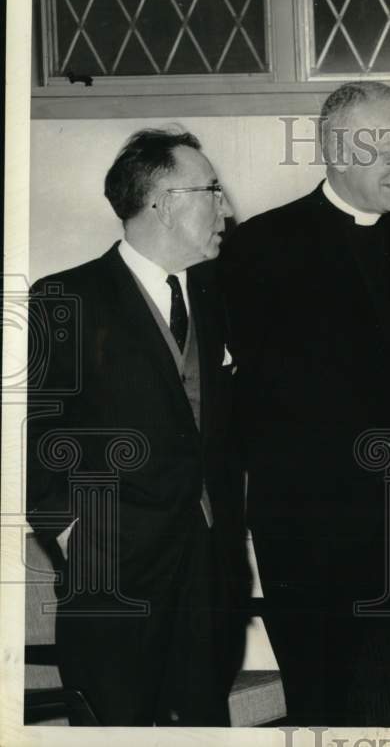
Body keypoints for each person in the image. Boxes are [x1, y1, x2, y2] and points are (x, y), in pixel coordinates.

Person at [219, 81, 390, 726]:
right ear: (337, 150)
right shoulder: (259, 246)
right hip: (304, 527)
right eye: (387, 148)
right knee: (320, 708)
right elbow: (239, 396)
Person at [26, 128, 242, 725]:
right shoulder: (65, 298)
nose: (225, 206)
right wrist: (72, 535)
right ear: (165, 202)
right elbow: (33, 438)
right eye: (212, 191)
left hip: (207, 574)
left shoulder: (219, 297)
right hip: (111, 581)